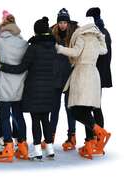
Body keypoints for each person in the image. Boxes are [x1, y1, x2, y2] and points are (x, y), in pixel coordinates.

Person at [0, 17, 57, 160]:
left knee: (36, 119)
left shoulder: (33, 48)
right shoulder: (53, 48)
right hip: (49, 88)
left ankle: (37, 150)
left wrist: (3, 66)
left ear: (36, 31)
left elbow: (21, 68)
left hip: (34, 88)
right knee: (46, 118)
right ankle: (50, 149)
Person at [55, 17, 111, 159]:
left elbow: (75, 53)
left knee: (75, 111)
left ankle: (99, 132)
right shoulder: (95, 40)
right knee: (87, 110)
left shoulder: (82, 37)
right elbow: (104, 50)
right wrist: (101, 36)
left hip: (82, 74)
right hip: (93, 74)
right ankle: (90, 143)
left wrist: (59, 48)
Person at [0, 13, 28, 162]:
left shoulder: (1, 42)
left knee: (4, 116)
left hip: (4, 87)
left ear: (5, 28)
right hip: (18, 87)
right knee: (18, 116)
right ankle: (22, 146)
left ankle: (8, 146)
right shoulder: (23, 43)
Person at [42, 8, 78, 151]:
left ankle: (71, 136)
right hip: (55, 77)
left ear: (68, 23)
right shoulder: (51, 34)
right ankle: (50, 136)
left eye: (65, 22)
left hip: (70, 76)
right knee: (54, 108)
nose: (63, 25)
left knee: (70, 108)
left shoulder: (76, 35)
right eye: (60, 22)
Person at [81, 7, 112, 154]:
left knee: (89, 108)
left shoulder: (97, 35)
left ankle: (93, 142)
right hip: (99, 75)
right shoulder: (104, 33)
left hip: (93, 76)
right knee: (95, 107)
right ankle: (96, 141)